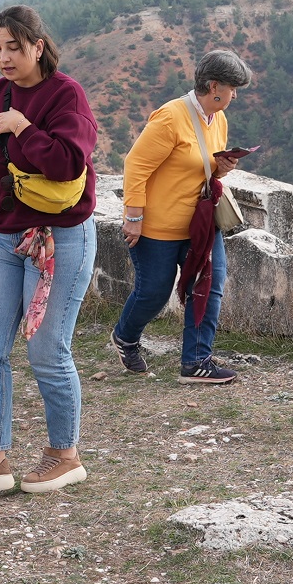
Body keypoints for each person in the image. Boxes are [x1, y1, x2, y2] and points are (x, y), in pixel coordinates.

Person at [0, 6, 98, 497]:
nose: (4, 57)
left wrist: (24, 128)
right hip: (4, 236)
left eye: (13, 47)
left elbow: (69, 162)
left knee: (47, 351)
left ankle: (65, 455)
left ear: (37, 45)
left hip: (61, 237)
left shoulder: (66, 94)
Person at [111, 49, 255, 386]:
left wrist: (221, 169)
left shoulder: (218, 119)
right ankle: (125, 337)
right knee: (154, 292)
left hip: (200, 225)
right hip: (158, 226)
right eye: (233, 89)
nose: (235, 96)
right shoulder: (171, 117)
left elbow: (201, 172)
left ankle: (196, 361)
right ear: (213, 85)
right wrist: (133, 216)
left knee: (209, 287)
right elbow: (136, 165)